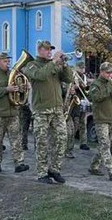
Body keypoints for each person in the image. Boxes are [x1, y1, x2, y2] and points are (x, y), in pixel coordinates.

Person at [21, 40, 74, 184]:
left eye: (51, 50)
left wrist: (64, 64)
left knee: (63, 138)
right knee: (42, 142)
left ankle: (54, 169)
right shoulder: (31, 66)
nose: (49, 52)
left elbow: (69, 79)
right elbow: (40, 76)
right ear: (39, 50)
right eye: (46, 49)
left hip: (57, 109)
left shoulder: (54, 65)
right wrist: (54, 61)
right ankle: (42, 173)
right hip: (41, 110)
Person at [0, 52, 30, 173]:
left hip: (13, 113)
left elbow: (20, 92)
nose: (8, 63)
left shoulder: (13, 74)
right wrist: (6, 89)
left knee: (16, 139)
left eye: (8, 61)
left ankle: (19, 163)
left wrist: (21, 89)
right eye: (5, 61)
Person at [87, 62, 112, 181]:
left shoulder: (111, 84)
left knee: (104, 145)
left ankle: (94, 166)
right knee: (105, 145)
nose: (111, 75)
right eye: (108, 72)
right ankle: (111, 171)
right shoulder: (95, 84)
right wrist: (111, 89)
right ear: (102, 72)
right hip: (101, 119)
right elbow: (95, 98)